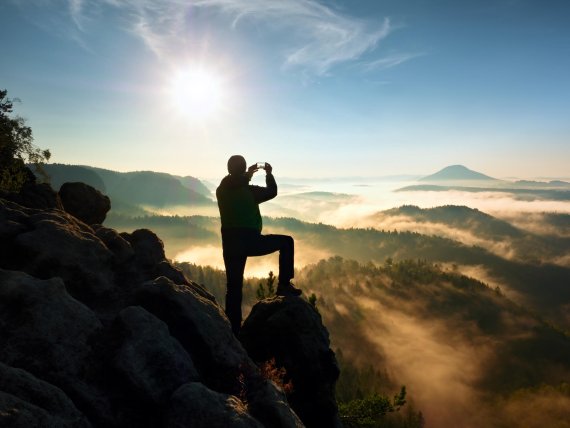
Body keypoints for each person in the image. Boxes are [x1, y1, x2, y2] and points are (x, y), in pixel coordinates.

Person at [216, 155, 302, 335]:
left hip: (230, 244)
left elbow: (235, 182)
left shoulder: (220, 190)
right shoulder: (250, 191)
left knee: (233, 288)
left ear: (229, 169)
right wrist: (268, 174)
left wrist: (247, 174)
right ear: (243, 169)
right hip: (251, 241)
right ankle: (284, 285)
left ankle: (234, 332)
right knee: (286, 242)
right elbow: (272, 191)